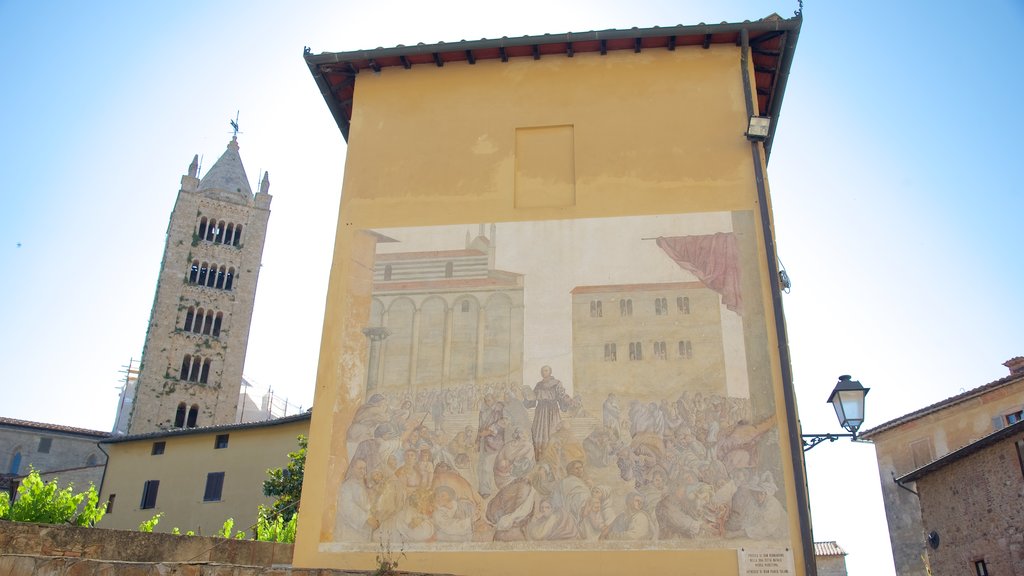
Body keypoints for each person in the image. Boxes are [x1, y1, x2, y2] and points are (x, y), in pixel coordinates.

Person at [524, 366, 571, 461]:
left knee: (552, 432)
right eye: (542, 370)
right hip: (540, 411)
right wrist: (526, 397)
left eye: (546, 370)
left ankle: (552, 456)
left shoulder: (557, 383)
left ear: (550, 372)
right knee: (538, 432)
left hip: (551, 410)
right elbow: (532, 401)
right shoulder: (539, 385)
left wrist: (567, 401)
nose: (543, 372)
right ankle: (539, 457)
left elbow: (561, 397)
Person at [337, 458, 378, 542]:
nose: (362, 471)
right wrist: (366, 518)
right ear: (352, 469)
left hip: (364, 532)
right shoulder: (347, 486)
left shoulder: (364, 486)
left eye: (364, 469)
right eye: (360, 468)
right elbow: (347, 507)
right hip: (350, 532)